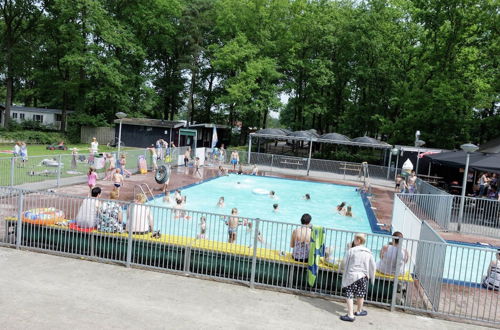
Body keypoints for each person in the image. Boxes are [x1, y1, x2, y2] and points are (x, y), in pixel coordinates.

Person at [340, 233, 376, 322]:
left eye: (355, 239)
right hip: (363, 276)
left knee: (349, 294)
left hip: (352, 275)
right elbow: (373, 266)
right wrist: (371, 277)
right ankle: (359, 311)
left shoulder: (351, 250)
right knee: (360, 294)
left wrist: (340, 269)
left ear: (358, 240)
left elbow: (344, 262)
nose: (354, 240)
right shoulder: (368, 252)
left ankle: (350, 315)